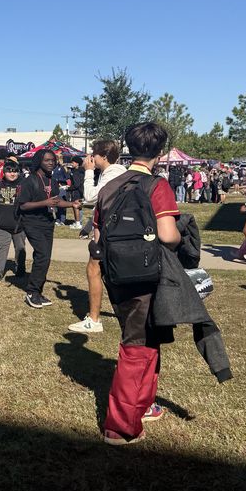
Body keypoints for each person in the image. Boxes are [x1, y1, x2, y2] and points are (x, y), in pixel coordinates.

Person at [91, 122, 180, 446]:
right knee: (136, 346)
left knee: (146, 339)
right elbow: (168, 236)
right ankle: (119, 425)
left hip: (116, 275)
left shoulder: (109, 188)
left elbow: (98, 236)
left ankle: (144, 404)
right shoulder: (157, 186)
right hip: (146, 275)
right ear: (160, 152)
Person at [69, 140, 126, 334]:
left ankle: (94, 319)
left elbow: (92, 196)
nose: (91, 158)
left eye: (94, 154)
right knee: (104, 271)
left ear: (103, 156)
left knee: (94, 270)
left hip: (109, 232)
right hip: (113, 229)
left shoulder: (113, 173)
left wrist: (88, 171)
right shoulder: (118, 172)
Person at [16, 149, 79, 309]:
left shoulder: (52, 180)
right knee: (43, 256)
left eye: (52, 160)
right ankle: (32, 292)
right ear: (39, 161)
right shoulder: (29, 181)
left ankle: (38, 291)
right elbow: (23, 205)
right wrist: (44, 203)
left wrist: (72, 204)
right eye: (47, 160)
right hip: (32, 223)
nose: (51, 163)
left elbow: (56, 201)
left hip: (47, 223)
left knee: (44, 257)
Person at [0, 160, 26, 280]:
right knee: (2, 247)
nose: (12, 174)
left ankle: (20, 268)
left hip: (19, 225)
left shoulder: (24, 186)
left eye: (15, 171)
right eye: (9, 171)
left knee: (20, 248)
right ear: (4, 172)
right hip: (2, 225)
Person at [65, 156, 86, 228]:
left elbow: (76, 184)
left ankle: (78, 223)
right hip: (81, 191)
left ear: (77, 163)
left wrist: (68, 188)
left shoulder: (77, 172)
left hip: (77, 191)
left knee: (76, 206)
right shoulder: (79, 170)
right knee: (79, 207)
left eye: (73, 162)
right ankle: (78, 222)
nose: (72, 163)